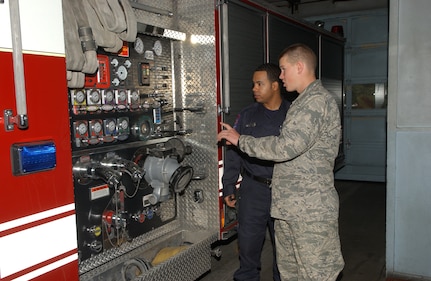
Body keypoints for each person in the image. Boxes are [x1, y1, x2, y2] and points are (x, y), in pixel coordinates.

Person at [218, 43, 345, 281]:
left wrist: (240, 140)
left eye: (284, 69)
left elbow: (286, 146)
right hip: (290, 207)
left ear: (299, 67)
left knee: (316, 273)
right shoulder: (300, 103)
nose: (282, 75)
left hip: (309, 211)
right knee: (290, 272)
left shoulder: (315, 102)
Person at [222, 63, 290, 281]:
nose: (254, 89)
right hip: (253, 191)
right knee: (248, 247)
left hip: (285, 191)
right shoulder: (247, 115)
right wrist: (229, 185)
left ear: (275, 85)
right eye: (253, 84)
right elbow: (233, 152)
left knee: (285, 252)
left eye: (260, 84)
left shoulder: (293, 115)